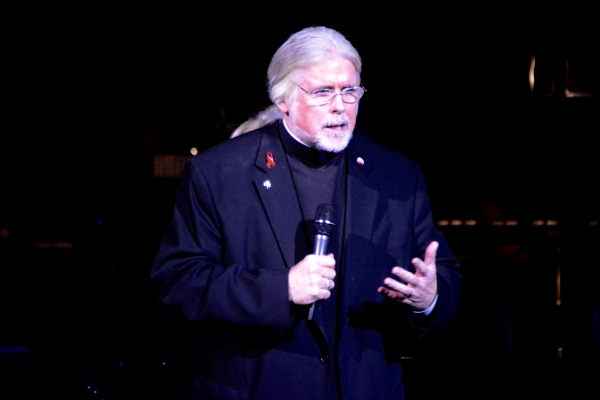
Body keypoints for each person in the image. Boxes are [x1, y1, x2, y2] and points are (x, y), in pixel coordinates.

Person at [151, 26, 462, 400]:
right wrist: (280, 289)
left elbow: (444, 276)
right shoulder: (219, 173)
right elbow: (179, 283)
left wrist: (430, 297)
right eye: (322, 92)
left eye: (350, 91)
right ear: (283, 99)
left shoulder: (398, 175)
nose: (339, 106)